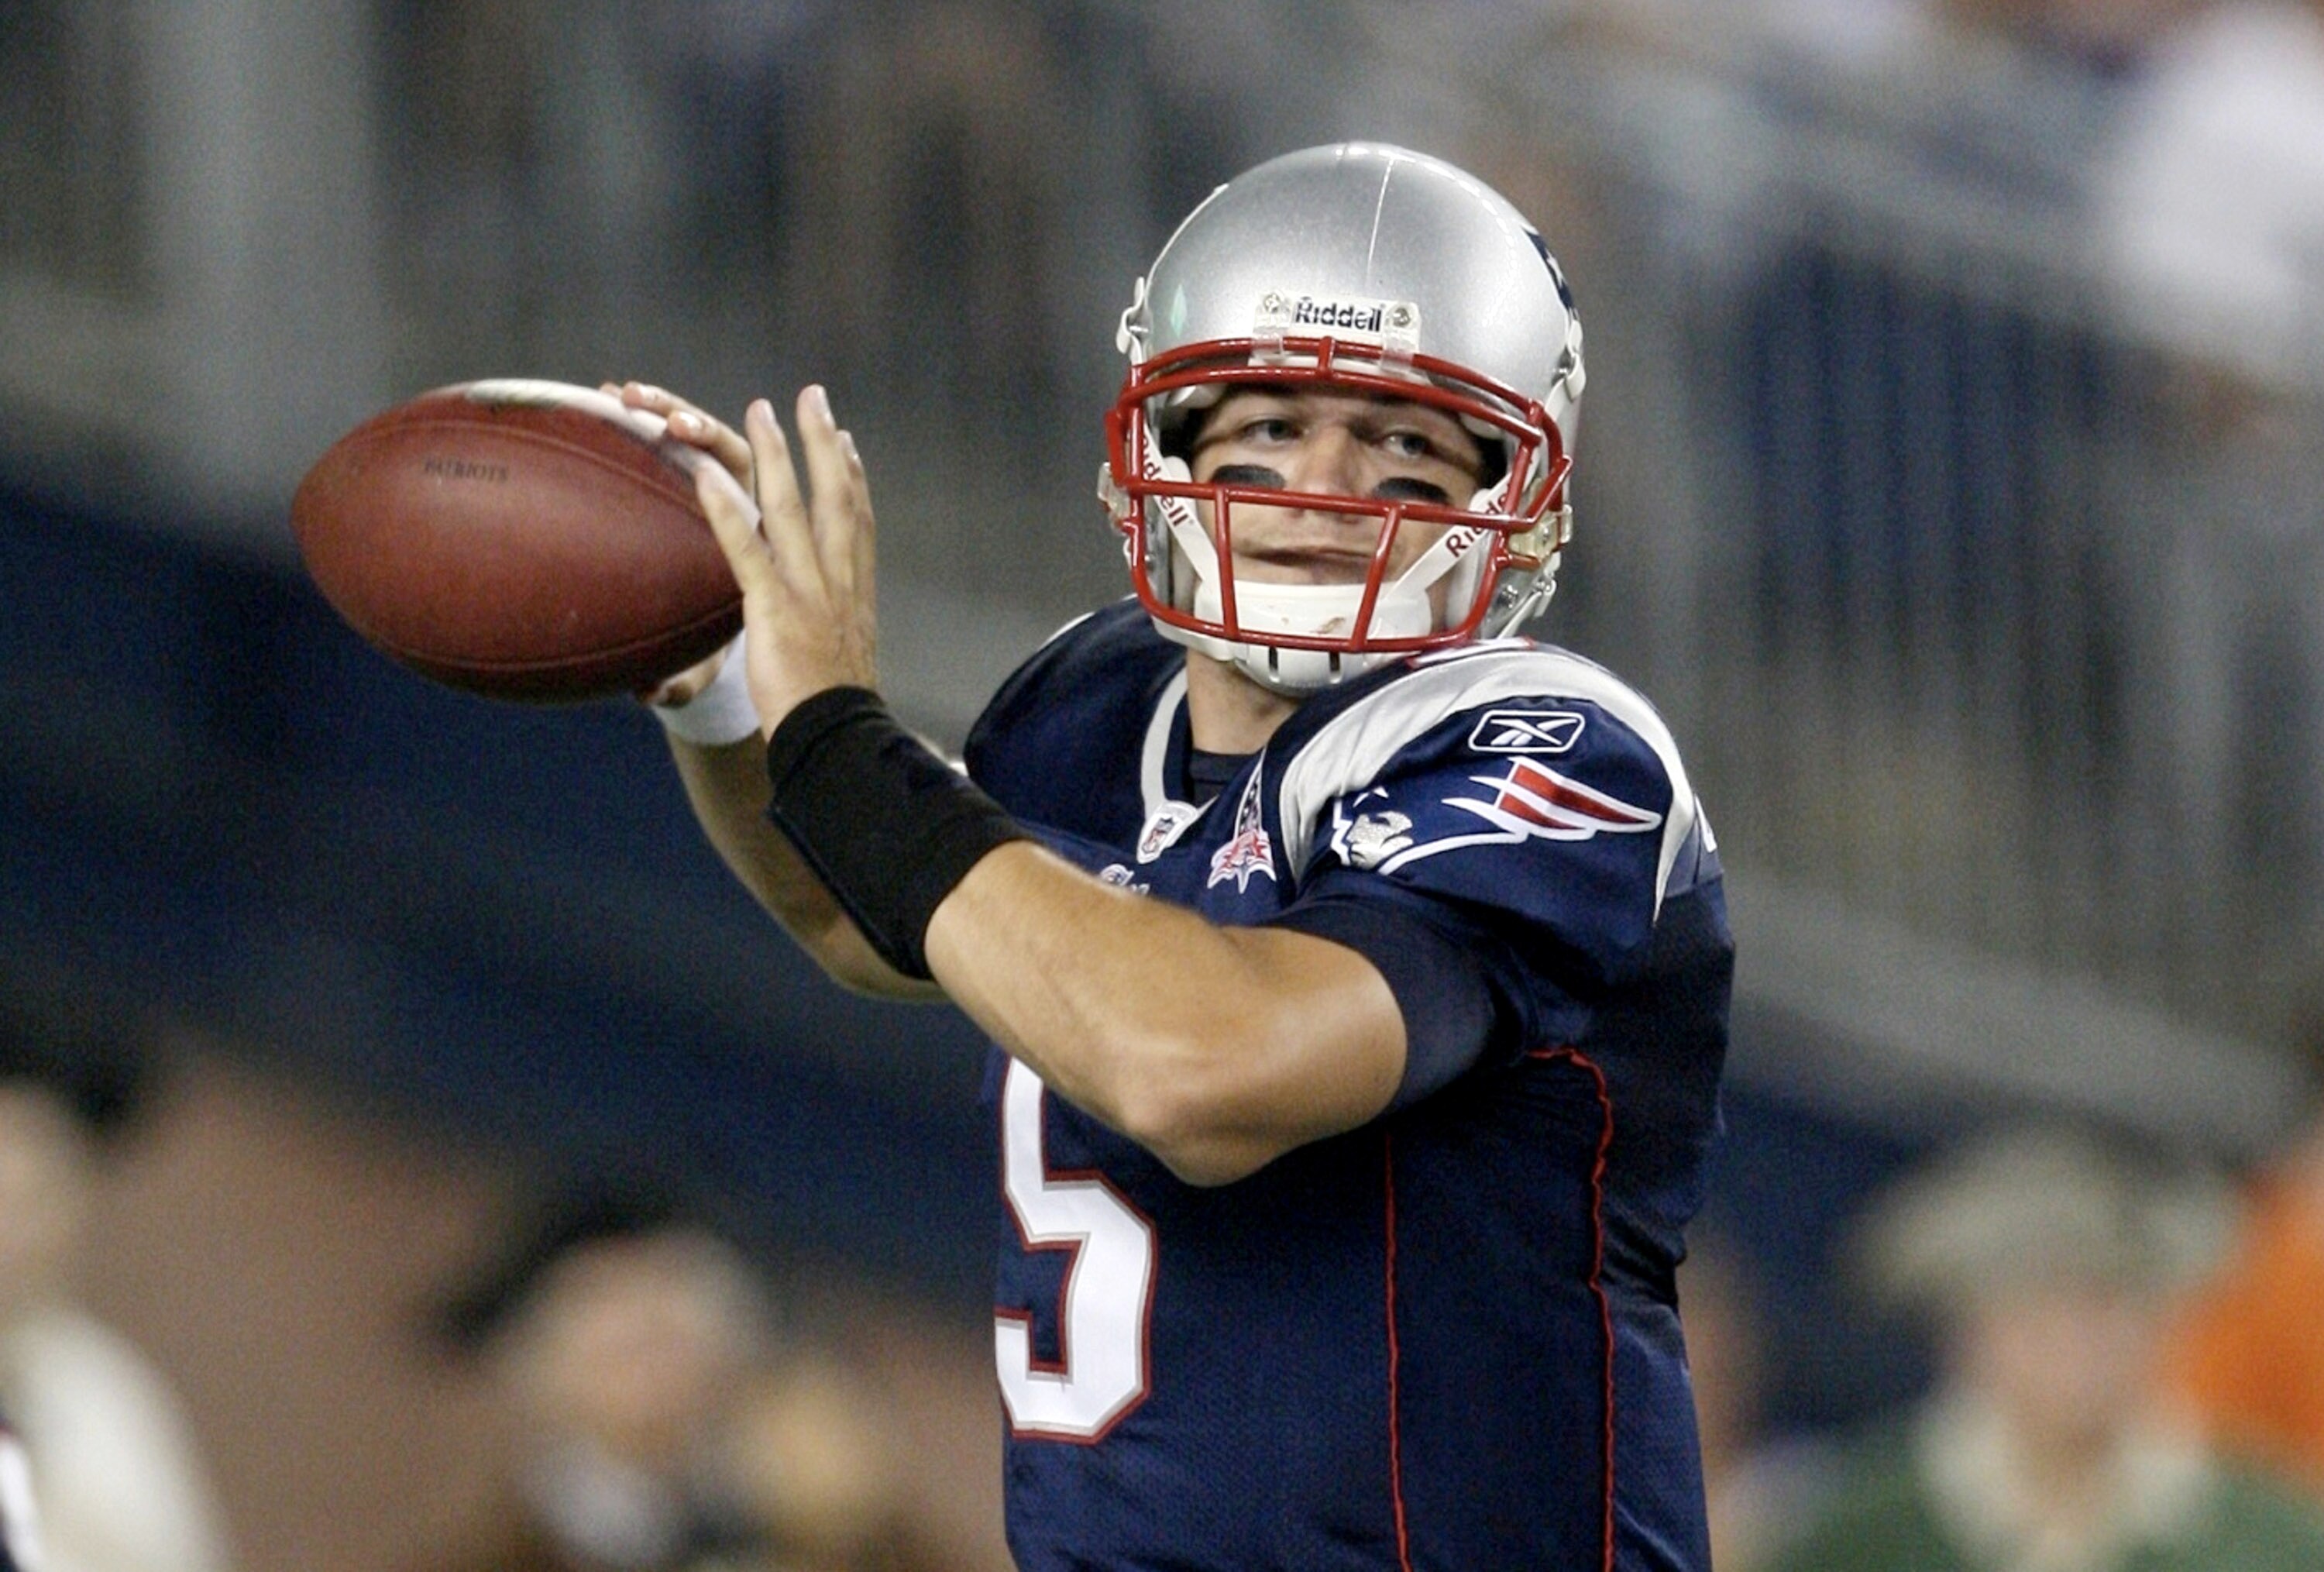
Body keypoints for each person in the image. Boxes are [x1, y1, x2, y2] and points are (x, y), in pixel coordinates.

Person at [633, 143, 1733, 1569]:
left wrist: (840, 736)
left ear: (1525, 494)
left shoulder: (1546, 746)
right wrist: (727, 689)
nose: (1323, 488)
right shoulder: (1091, 707)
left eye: (1405, 445)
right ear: (1160, 453)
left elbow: (1200, 1066)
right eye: (1268, 427)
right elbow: (870, 912)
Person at [1760, 1123, 2324, 1572]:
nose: (2077, 1344)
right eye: (2038, 1306)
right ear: (1967, 1328)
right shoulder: (1860, 1530)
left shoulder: (2276, 1541)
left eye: (2109, 1302)